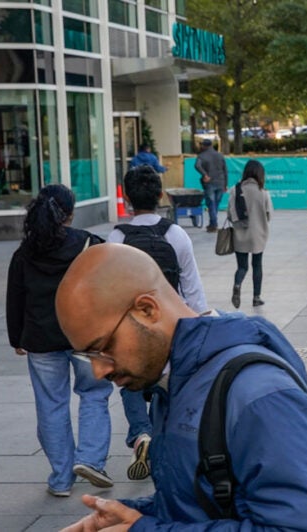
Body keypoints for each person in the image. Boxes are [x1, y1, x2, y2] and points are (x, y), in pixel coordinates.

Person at [54, 244, 307, 530]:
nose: (98, 370)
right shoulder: (173, 381)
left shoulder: (260, 394)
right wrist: (130, 515)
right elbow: (203, 503)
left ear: (147, 309)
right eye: (87, 356)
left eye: (103, 348)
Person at [5, 184, 114, 497]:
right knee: (94, 394)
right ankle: (91, 460)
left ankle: (61, 478)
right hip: (87, 337)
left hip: (40, 341)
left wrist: (17, 338)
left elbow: (16, 298)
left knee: (51, 406)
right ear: (69, 214)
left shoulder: (24, 253)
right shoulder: (90, 244)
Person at [107, 165, 208, 481]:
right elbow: (192, 292)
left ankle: (141, 434)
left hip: (132, 328)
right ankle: (161, 443)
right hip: (170, 327)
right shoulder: (176, 235)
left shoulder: (116, 237)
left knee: (128, 380)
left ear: (127, 199)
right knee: (167, 387)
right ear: (161, 195)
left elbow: (109, 291)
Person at [228, 160, 273, 308]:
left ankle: (237, 284)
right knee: (257, 266)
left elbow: (230, 214)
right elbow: (269, 215)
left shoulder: (235, 190)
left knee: (242, 267)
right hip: (258, 235)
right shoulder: (263, 192)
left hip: (240, 235)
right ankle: (256, 297)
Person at [194, 138, 227, 233]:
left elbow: (197, 165)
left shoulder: (202, 156)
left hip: (210, 183)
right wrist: (225, 184)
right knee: (216, 204)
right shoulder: (220, 155)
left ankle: (214, 224)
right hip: (221, 182)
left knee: (211, 204)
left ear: (204, 146)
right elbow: (225, 170)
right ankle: (212, 223)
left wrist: (205, 174)